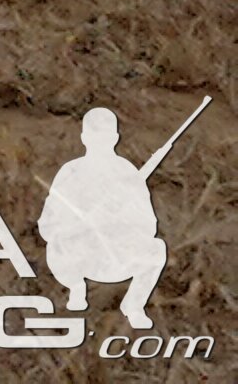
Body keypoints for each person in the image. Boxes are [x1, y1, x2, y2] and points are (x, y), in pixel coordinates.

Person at [42, 107, 175, 328]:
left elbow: (148, 226)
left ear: (115, 137)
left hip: (113, 255)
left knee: (156, 249)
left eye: (104, 135)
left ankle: (133, 306)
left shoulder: (126, 172)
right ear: (84, 137)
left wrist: (119, 217)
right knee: (59, 246)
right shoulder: (71, 171)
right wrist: (82, 223)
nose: (99, 141)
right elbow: (48, 224)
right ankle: (76, 289)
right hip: (78, 253)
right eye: (95, 134)